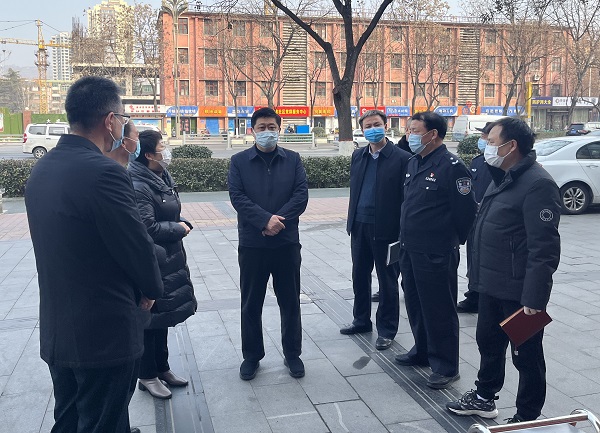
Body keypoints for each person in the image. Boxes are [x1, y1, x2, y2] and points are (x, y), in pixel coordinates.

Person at [25, 76, 163, 433]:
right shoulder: (104, 173)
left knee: (69, 418)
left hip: (60, 329)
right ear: (110, 120)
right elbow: (135, 245)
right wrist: (151, 289)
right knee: (104, 421)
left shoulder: (43, 168)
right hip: (104, 334)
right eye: (122, 118)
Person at [446, 117, 561, 423]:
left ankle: (527, 417)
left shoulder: (537, 184)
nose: (486, 146)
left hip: (519, 292)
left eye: (492, 141)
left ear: (511, 146)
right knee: (489, 343)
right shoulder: (503, 176)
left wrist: (535, 298)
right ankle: (484, 397)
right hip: (491, 284)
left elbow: (544, 248)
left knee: (526, 356)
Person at [396, 111, 477, 389]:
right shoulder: (414, 162)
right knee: (416, 303)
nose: (409, 135)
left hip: (436, 251)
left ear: (432, 135)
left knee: (439, 308)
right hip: (410, 248)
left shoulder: (452, 166)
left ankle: (446, 366)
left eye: (415, 131)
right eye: (408, 130)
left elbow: (466, 212)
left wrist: (449, 241)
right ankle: (422, 350)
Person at [228, 107, 309, 381]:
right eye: (261, 127)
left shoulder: (293, 159)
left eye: (271, 127)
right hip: (253, 244)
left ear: (279, 129)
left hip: (286, 242)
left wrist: (277, 221)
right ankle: (251, 356)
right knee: (251, 302)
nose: (267, 132)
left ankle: (292, 353)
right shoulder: (239, 161)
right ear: (252, 131)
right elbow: (237, 197)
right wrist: (264, 221)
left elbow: (300, 195)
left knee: (290, 300)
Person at [129, 130, 197, 399]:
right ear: (148, 154)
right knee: (150, 319)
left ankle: (162, 368)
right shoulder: (139, 184)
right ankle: (146, 375)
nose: (166, 150)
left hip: (168, 257)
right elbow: (146, 227)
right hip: (153, 259)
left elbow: (166, 213)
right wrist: (178, 228)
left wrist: (180, 223)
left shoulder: (161, 176)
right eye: (162, 146)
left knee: (163, 317)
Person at [339, 110, 411, 350]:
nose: (372, 129)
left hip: (387, 229)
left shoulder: (402, 158)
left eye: (376, 124)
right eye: (367, 126)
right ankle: (360, 320)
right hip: (359, 226)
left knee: (387, 280)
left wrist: (401, 232)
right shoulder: (358, 155)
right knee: (359, 275)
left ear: (385, 126)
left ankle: (387, 329)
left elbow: (406, 198)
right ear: (362, 130)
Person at [456, 122, 494, 314]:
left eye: (486, 137)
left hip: (492, 221)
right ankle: (473, 294)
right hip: (475, 219)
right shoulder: (477, 162)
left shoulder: (501, 164)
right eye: (483, 136)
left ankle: (483, 296)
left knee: (486, 261)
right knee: (473, 259)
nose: (483, 140)